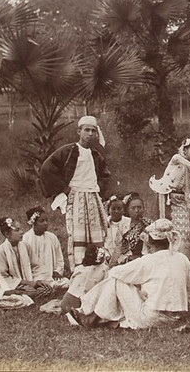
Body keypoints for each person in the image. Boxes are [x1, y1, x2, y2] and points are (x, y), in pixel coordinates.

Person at [75, 219, 190, 329]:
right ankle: (96, 314)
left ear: (150, 242)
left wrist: (138, 286)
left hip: (151, 318)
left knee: (116, 281)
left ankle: (92, 316)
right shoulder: (182, 259)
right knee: (126, 282)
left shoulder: (148, 260)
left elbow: (115, 272)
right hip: (175, 318)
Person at [39, 115, 111, 268]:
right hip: (76, 196)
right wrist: (63, 191)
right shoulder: (68, 151)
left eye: (93, 131)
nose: (90, 134)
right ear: (79, 131)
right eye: (87, 130)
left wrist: (99, 191)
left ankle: (98, 266)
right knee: (78, 233)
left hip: (93, 197)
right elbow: (47, 168)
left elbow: (105, 176)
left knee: (96, 231)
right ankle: (79, 267)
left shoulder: (96, 155)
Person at [150, 138, 190, 248]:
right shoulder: (176, 159)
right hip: (166, 197)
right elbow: (188, 164)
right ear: (185, 150)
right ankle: (165, 255)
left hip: (181, 200)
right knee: (165, 227)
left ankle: (181, 255)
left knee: (183, 229)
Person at [43, 245, 110, 315]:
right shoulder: (104, 269)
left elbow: (70, 284)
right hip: (81, 303)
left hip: (66, 301)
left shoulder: (79, 268)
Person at [0, 217, 51, 297]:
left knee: (47, 288)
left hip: (30, 282)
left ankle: (31, 292)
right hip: (14, 286)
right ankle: (24, 293)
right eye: (17, 230)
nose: (22, 232)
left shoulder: (26, 246)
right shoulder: (0, 252)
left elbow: (36, 266)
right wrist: (26, 283)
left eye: (20, 229)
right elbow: (2, 277)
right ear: (7, 234)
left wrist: (37, 281)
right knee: (25, 294)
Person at [22, 207, 69, 290]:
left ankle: (49, 285)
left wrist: (57, 271)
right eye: (42, 221)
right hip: (34, 276)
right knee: (39, 287)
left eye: (47, 220)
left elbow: (59, 259)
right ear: (34, 223)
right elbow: (24, 263)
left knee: (67, 283)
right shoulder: (25, 239)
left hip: (51, 275)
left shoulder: (52, 237)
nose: (45, 223)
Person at [118, 192, 153, 263]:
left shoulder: (149, 224)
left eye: (139, 207)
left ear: (143, 208)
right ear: (127, 210)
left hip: (143, 260)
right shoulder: (123, 224)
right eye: (133, 208)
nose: (137, 211)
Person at [103, 196, 131, 266]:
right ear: (108, 210)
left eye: (119, 208)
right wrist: (106, 255)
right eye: (113, 208)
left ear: (123, 210)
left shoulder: (129, 222)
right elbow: (101, 243)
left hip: (125, 260)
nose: (116, 211)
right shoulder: (104, 223)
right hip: (107, 259)